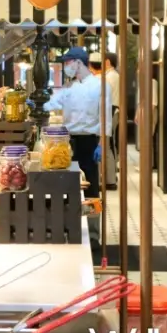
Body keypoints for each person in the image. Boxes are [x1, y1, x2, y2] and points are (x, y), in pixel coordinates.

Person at [44, 47, 111, 249]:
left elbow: (105, 116)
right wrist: (36, 103)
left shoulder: (101, 85)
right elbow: (52, 104)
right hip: (67, 141)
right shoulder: (69, 87)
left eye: (67, 63)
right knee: (67, 185)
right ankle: (67, 227)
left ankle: (93, 234)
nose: (66, 67)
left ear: (78, 63)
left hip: (90, 142)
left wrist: (102, 144)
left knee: (91, 188)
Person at [87, 53, 117, 190]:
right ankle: (109, 178)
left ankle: (108, 180)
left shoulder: (107, 78)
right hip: (109, 111)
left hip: (108, 111)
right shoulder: (108, 77)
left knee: (105, 145)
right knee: (108, 145)